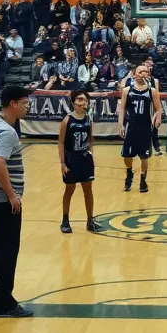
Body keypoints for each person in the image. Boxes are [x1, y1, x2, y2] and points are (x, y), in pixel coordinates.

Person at [0, 84, 33, 317]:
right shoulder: (8, 132)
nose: (27, 107)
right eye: (24, 103)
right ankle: (4, 303)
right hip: (3, 201)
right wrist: (11, 195)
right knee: (7, 251)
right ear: (13, 104)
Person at [57, 91, 103, 235]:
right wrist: (63, 164)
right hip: (71, 159)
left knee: (88, 190)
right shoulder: (67, 120)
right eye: (80, 99)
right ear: (73, 102)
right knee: (69, 190)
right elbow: (61, 142)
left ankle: (90, 220)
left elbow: (91, 138)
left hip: (85, 159)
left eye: (85, 100)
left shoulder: (88, 119)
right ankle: (65, 220)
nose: (83, 102)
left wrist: (91, 154)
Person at [117, 65, 160, 194]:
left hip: (145, 126)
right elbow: (122, 108)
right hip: (131, 125)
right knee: (127, 155)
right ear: (134, 74)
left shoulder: (152, 91)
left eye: (146, 71)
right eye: (140, 71)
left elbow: (158, 108)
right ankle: (129, 173)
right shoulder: (126, 90)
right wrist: (120, 125)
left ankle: (143, 179)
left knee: (144, 156)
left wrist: (158, 118)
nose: (143, 73)